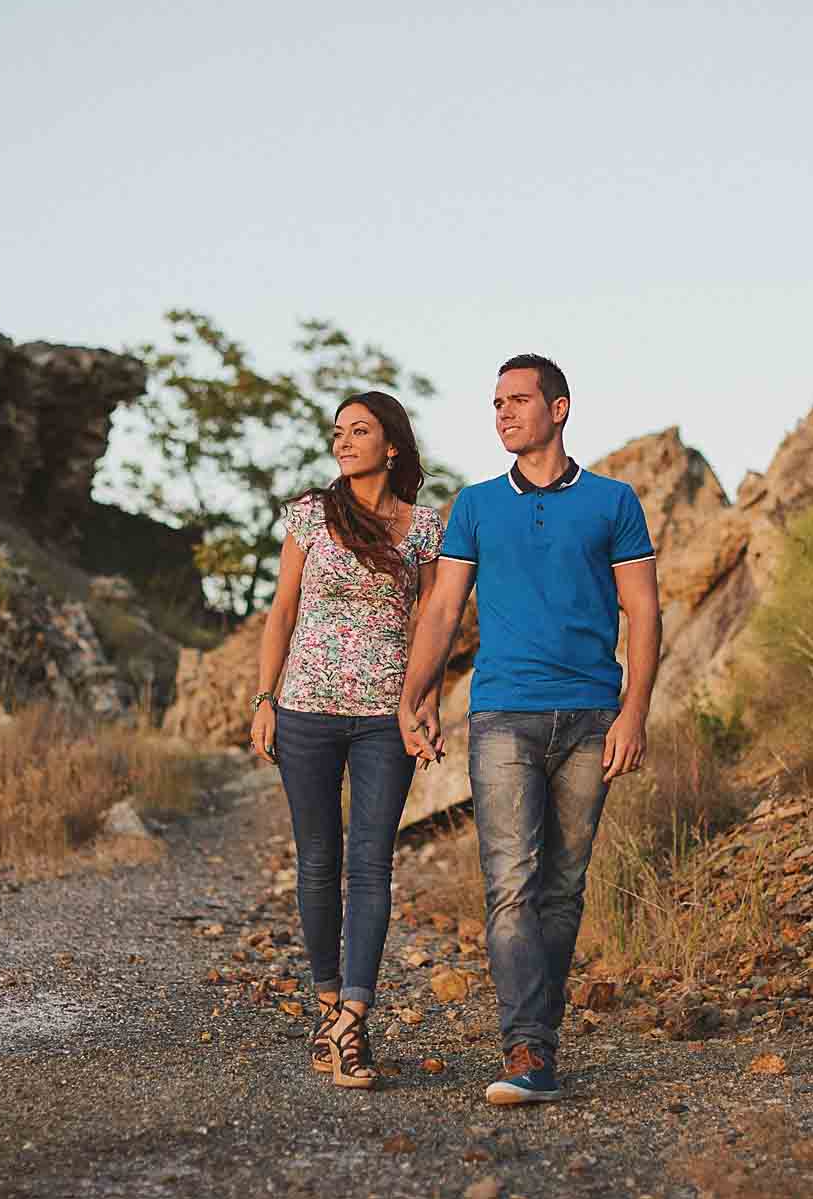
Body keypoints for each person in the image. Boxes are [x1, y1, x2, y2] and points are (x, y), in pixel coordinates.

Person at [398, 353, 661, 1105]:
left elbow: (642, 610)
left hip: (590, 715)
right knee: (511, 885)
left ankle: (536, 1046)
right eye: (496, 402)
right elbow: (444, 609)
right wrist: (413, 694)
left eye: (518, 399)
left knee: (563, 888)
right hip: (504, 713)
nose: (504, 412)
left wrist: (635, 710)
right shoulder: (475, 505)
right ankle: (529, 1047)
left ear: (561, 407)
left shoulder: (613, 501)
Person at [250, 390, 445, 1090]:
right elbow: (282, 610)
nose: (344, 440)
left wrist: (428, 703)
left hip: (385, 719)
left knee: (371, 862)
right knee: (317, 860)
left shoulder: (424, 526)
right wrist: (265, 697)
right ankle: (329, 1000)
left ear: (392, 444)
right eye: (339, 430)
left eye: (359, 430)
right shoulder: (310, 514)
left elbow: (434, 621)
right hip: (304, 709)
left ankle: (352, 1022)